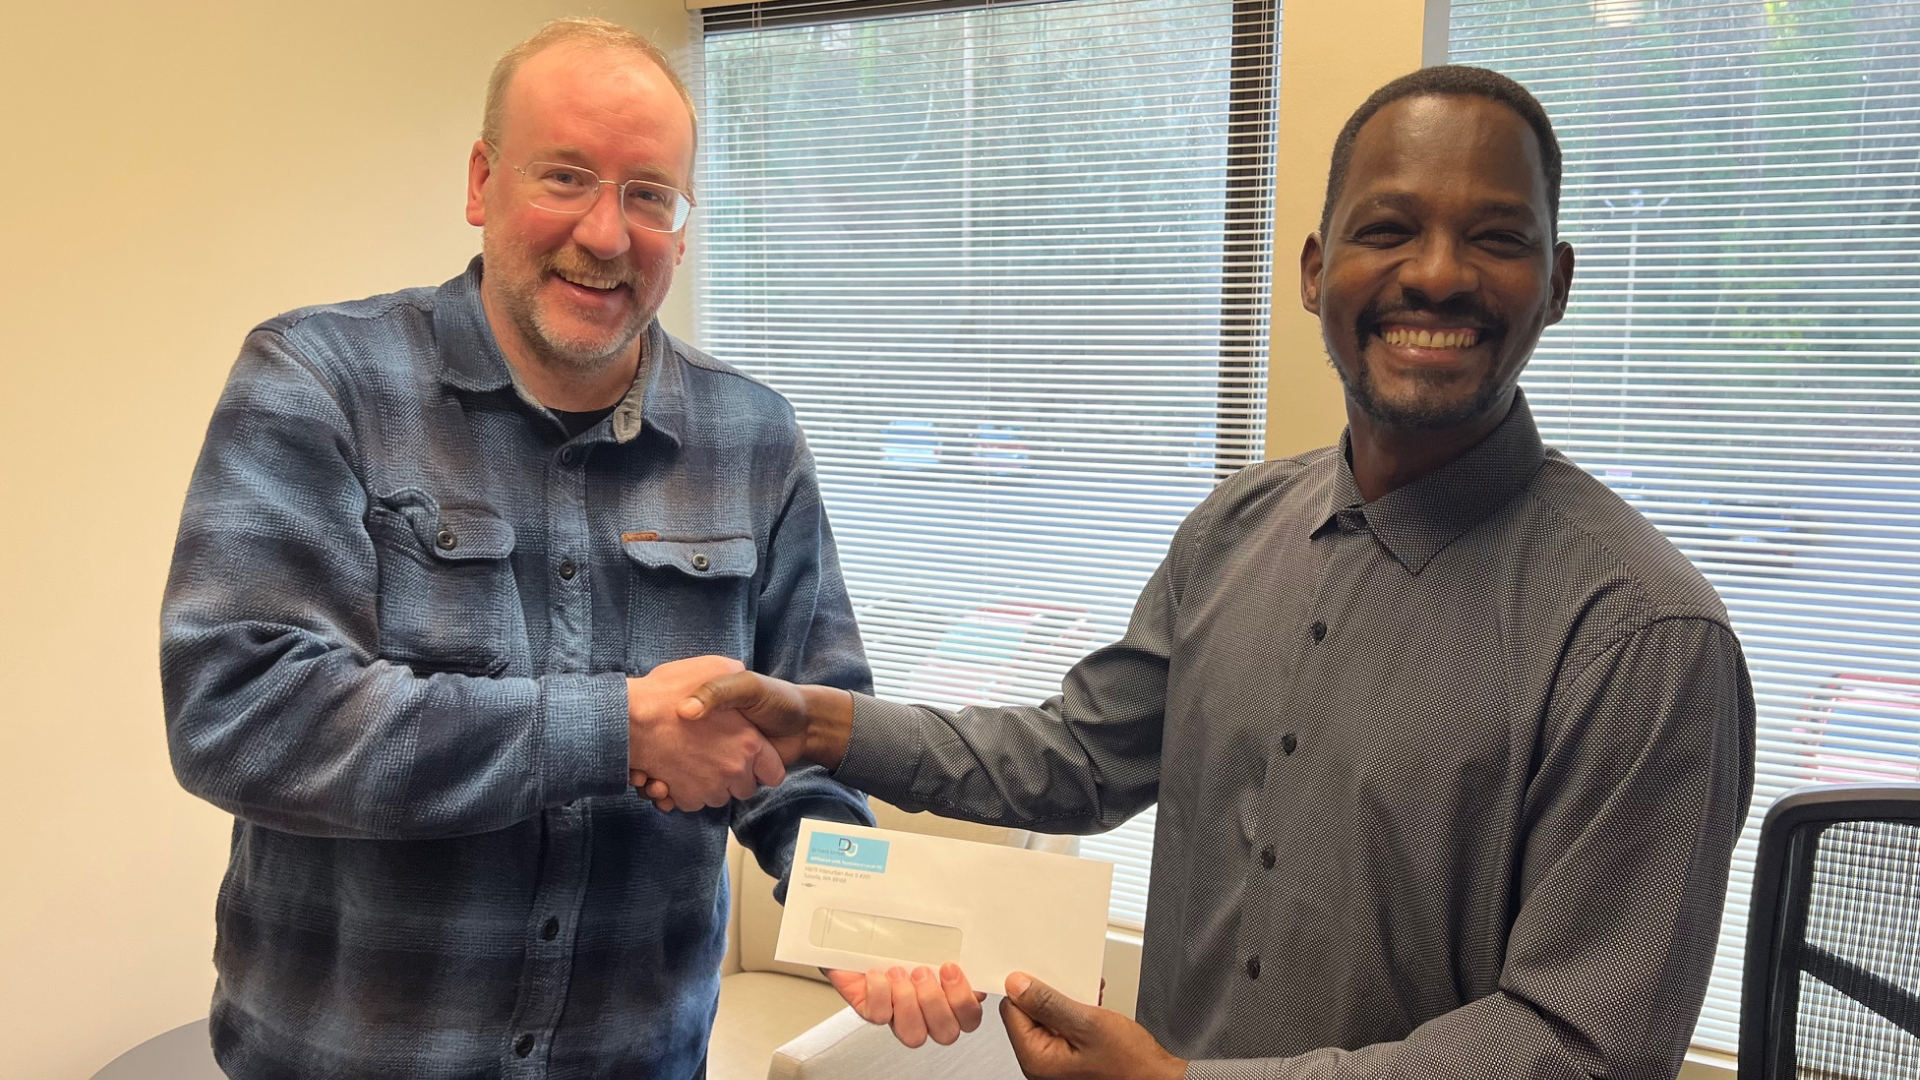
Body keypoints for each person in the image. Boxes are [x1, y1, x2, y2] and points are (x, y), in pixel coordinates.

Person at [658, 65, 1757, 1079]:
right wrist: (819, 723)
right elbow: (1079, 756)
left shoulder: (1644, 642)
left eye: (1496, 238)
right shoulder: (1238, 527)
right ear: (1316, 273)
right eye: (1388, 230)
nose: (1436, 274)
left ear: (1556, 282)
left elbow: (1580, 1045)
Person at [159, 18, 873, 1080]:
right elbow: (240, 714)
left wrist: (861, 919)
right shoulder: (318, 382)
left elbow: (806, 734)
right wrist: (614, 731)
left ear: (682, 225)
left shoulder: (755, 438)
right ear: (482, 181)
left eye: (649, 195)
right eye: (566, 177)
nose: (607, 233)